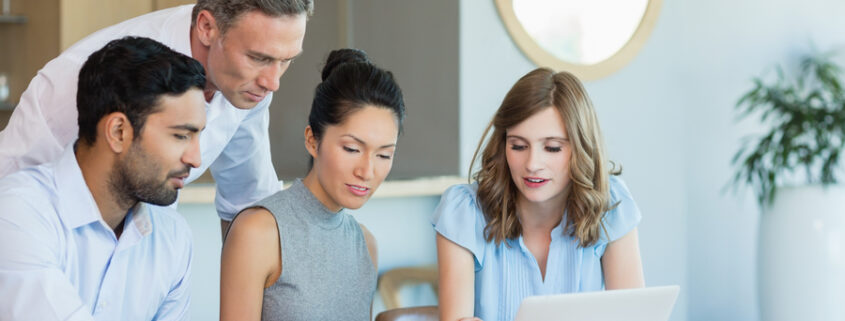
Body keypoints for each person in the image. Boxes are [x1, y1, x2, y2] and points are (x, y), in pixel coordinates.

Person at [0, 0, 313, 237]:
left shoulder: (249, 84)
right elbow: (11, 199)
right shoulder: (82, 79)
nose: (273, 83)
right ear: (207, 28)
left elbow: (247, 205)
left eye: (286, 61)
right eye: (259, 58)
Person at [0, 36, 206, 320]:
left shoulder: (172, 236)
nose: (196, 159)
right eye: (181, 135)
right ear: (118, 131)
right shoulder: (17, 214)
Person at [433, 68, 645, 321]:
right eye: (518, 146)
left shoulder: (610, 204)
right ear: (503, 146)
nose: (533, 163)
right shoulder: (464, 211)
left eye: (552, 148)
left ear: (580, 149)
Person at [219, 49, 406, 321]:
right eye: (352, 148)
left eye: (384, 155)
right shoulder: (258, 231)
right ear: (312, 140)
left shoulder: (365, 245)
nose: (367, 171)